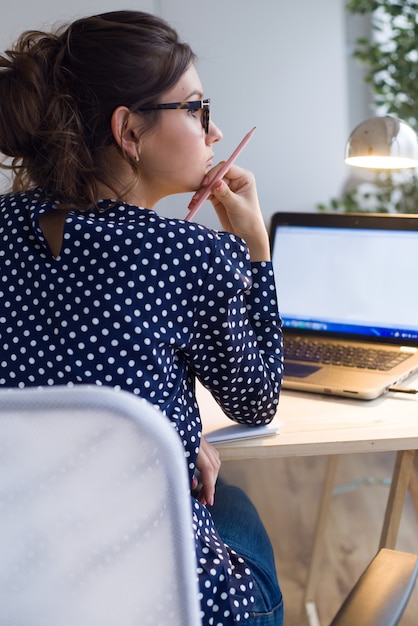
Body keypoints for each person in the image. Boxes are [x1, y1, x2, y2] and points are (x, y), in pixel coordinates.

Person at [0, 10, 284, 625]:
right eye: (197, 109)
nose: (214, 133)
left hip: (23, 580)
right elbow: (257, 401)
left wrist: (168, 441)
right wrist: (256, 250)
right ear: (129, 129)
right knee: (233, 507)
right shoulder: (194, 254)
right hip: (165, 600)